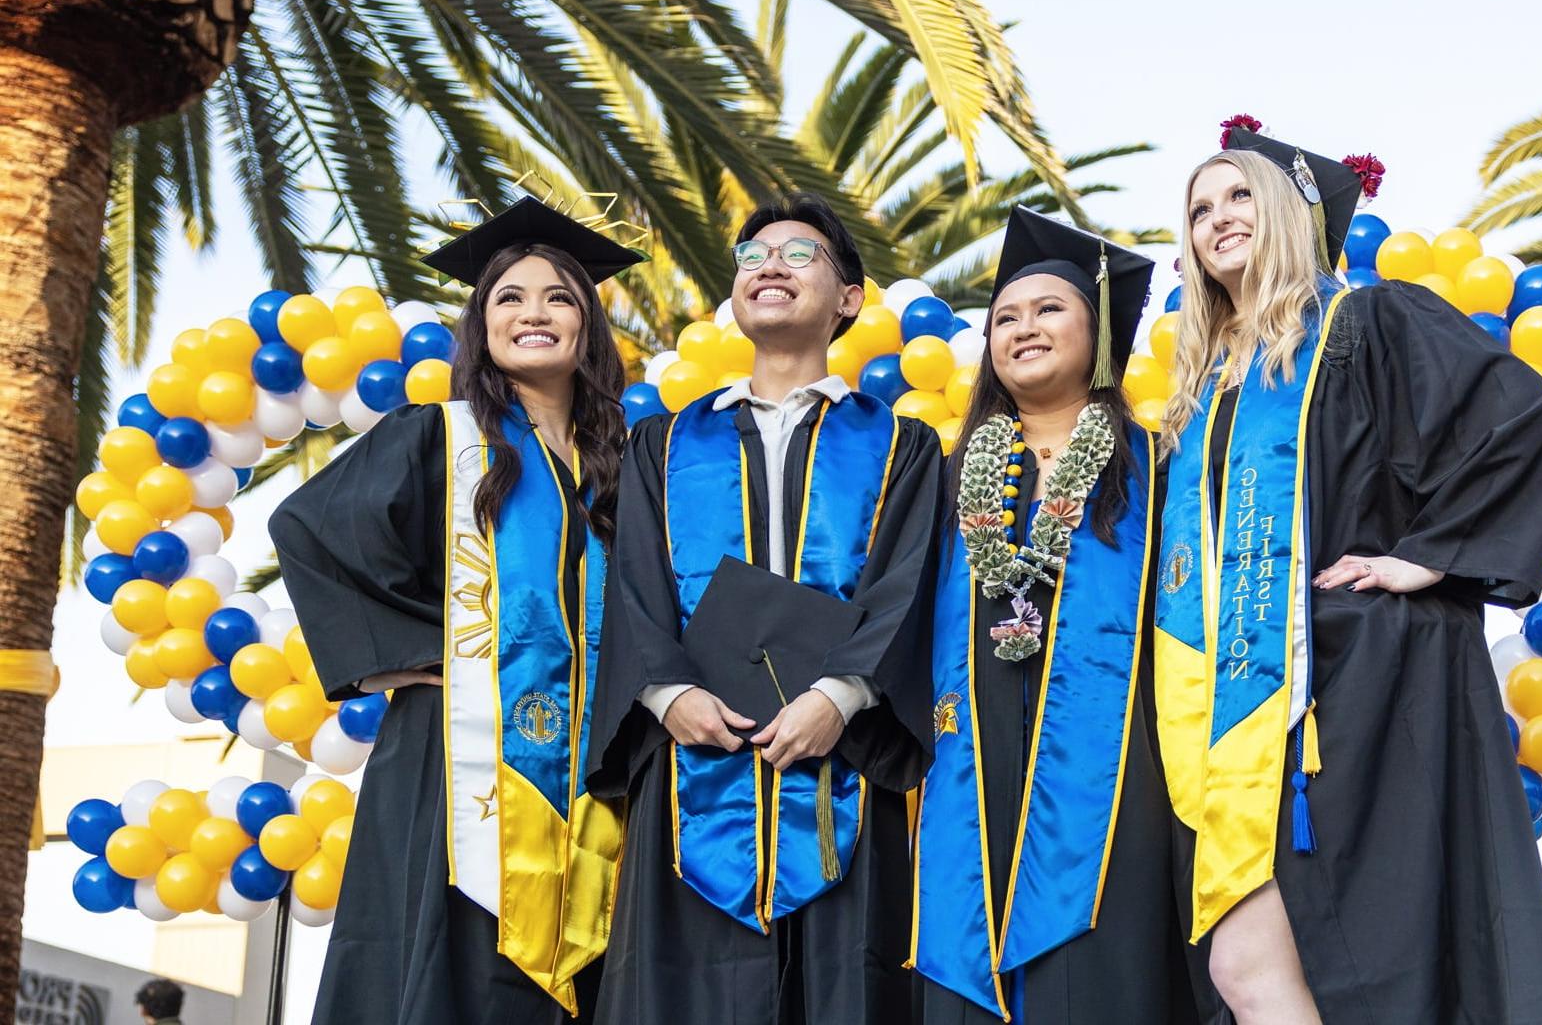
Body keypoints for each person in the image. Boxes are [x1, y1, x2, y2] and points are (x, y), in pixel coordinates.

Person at [1150, 121, 1542, 1023]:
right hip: (1230, 721)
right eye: (1198, 208)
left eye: (1239, 197)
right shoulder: (1199, 398)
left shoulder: (1368, 323)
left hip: (1362, 691)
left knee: (1376, 963)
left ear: (1287, 217)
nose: (1218, 218)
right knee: (1243, 969)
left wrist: (1424, 558)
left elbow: (1523, 417)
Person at [269, 196, 643, 1024]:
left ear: (587, 324)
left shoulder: (620, 470)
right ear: (482, 327)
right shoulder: (438, 436)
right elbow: (309, 528)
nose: (533, 313)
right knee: (451, 972)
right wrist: (425, 653)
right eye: (508, 297)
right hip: (455, 762)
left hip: (595, 777)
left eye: (558, 297)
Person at [586, 191, 941, 1024]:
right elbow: (634, 586)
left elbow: (908, 582)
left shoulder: (898, 442)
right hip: (691, 775)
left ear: (849, 298)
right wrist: (670, 698)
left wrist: (839, 697)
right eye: (751, 258)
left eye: (797, 254)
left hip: (840, 772)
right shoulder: (666, 443)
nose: (768, 267)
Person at [911, 207, 1196, 1024]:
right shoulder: (942, 475)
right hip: (967, 761)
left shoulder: (1156, 466)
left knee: (1102, 977)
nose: (1022, 329)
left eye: (1048, 310)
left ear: (1099, 335)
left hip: (1118, 780)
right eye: (1004, 317)